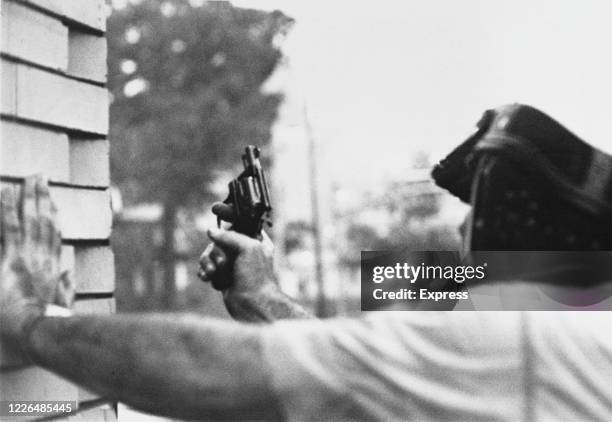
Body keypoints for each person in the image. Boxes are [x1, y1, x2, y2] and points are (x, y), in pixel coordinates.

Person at [2, 104, 612, 421]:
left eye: (472, 233)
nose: (459, 251)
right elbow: (375, 384)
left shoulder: (533, 344)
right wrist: (265, 299)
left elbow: (215, 373)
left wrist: (29, 320)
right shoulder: (580, 330)